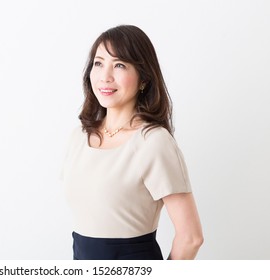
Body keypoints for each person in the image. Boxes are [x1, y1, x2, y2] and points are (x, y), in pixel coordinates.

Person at [61, 25, 203, 260]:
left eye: (119, 65)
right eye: (98, 63)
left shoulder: (153, 142)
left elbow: (191, 238)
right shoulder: (79, 137)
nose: (105, 76)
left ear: (143, 79)